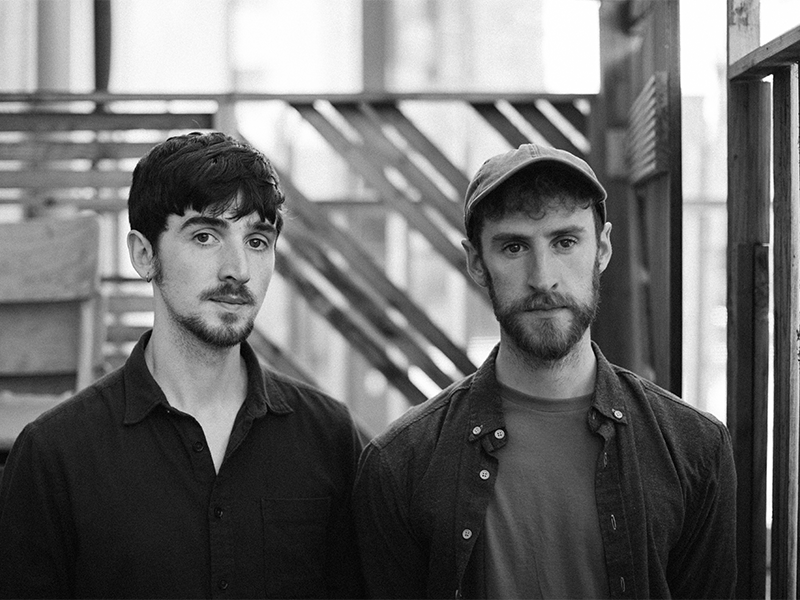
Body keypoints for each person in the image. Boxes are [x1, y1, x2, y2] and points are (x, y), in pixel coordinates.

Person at [353, 142, 737, 599]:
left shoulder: (694, 449)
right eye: (514, 247)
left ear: (602, 249)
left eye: (565, 242)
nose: (543, 277)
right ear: (477, 262)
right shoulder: (401, 465)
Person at [0, 132, 364, 599]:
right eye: (205, 236)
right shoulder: (56, 454)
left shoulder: (329, 438)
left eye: (257, 241)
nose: (238, 270)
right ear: (144, 255)